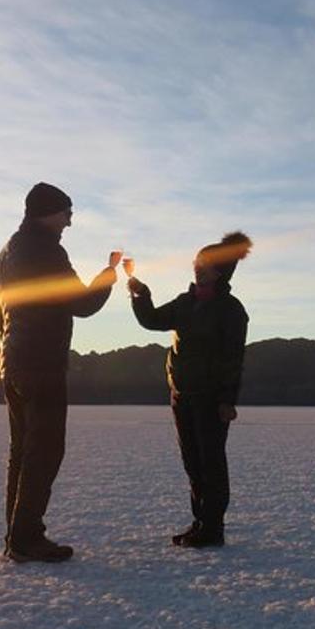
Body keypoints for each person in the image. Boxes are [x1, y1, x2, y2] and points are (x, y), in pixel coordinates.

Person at [0, 182, 121, 563]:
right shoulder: (47, 251)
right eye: (66, 212)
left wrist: (8, 348)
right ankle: (26, 538)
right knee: (45, 449)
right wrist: (108, 276)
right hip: (40, 363)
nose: (70, 220)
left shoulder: (8, 251)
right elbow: (81, 304)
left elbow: (1, 311)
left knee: (23, 450)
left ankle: (17, 536)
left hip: (13, 360)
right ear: (47, 213)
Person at [127, 231, 252, 548]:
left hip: (211, 399)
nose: (198, 268)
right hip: (181, 394)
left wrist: (227, 399)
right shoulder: (185, 303)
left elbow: (233, 359)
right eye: (197, 263)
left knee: (211, 462)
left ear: (220, 271)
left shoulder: (231, 310)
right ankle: (199, 522)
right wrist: (141, 295)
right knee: (192, 463)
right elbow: (153, 320)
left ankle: (213, 528)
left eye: (205, 265)